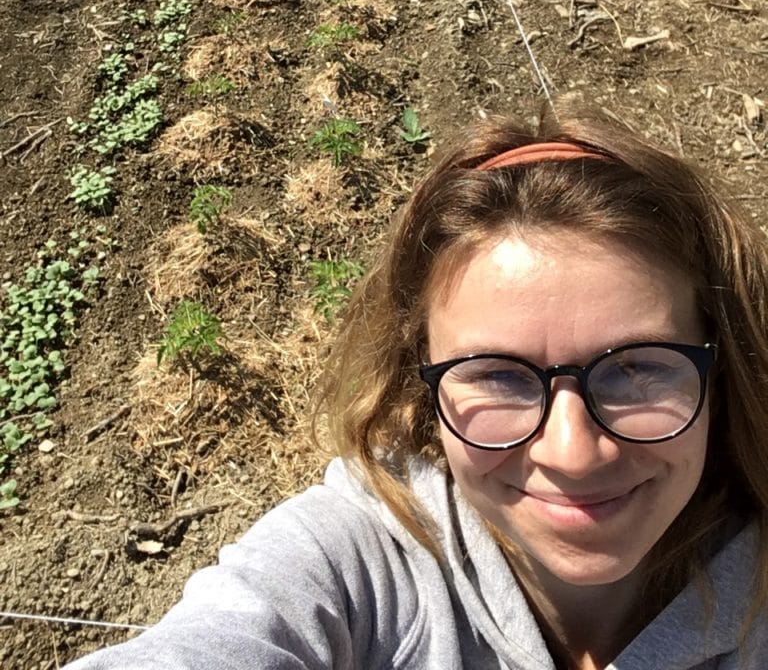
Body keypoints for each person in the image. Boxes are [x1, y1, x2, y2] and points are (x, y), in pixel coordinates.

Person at [64, 98, 768, 670]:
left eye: (638, 366)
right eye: (498, 375)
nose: (573, 453)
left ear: (720, 361)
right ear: (421, 385)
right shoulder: (351, 567)